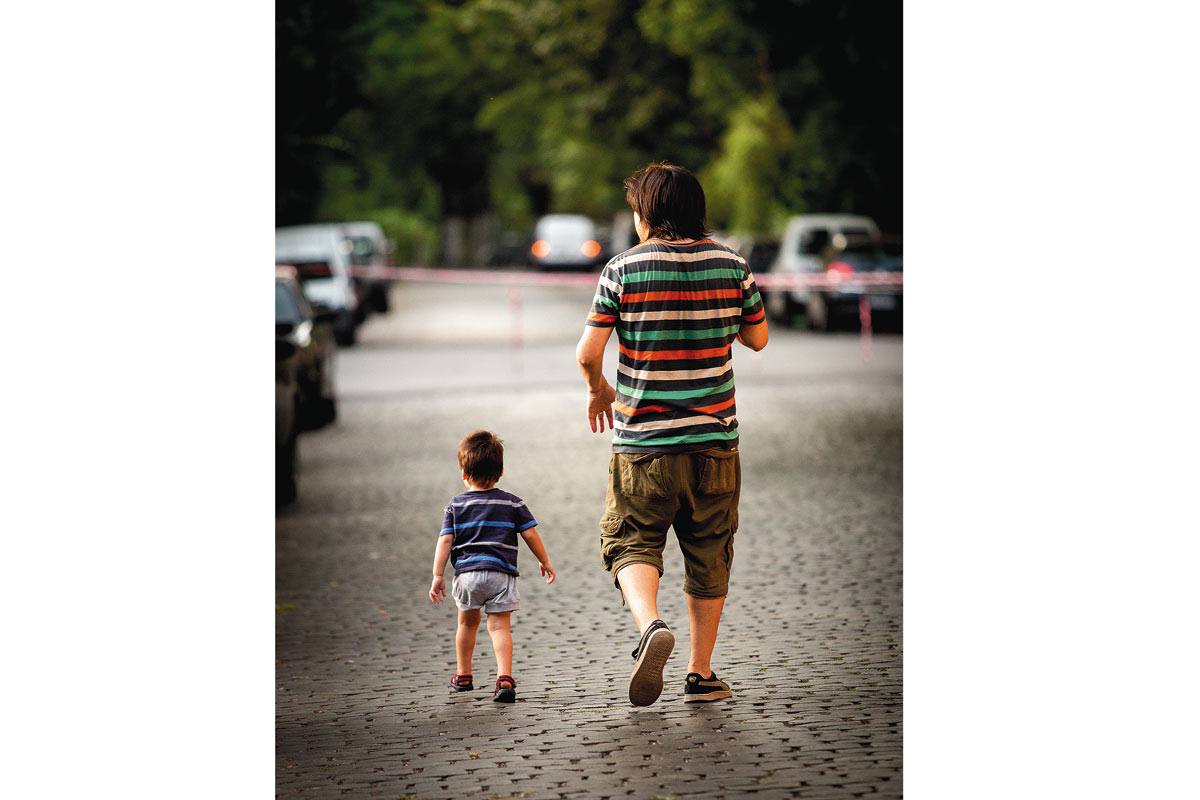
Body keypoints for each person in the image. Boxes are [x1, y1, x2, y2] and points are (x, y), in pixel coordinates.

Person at [575, 162, 768, 707]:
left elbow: (588, 353)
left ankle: (650, 626)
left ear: (648, 214)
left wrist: (599, 390)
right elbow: (758, 338)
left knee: (632, 538)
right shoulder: (733, 265)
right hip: (715, 442)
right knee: (709, 550)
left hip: (644, 445)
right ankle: (701, 674)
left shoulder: (622, 270)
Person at [429, 430, 556, 702]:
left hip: (466, 575)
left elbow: (445, 540)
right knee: (499, 628)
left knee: (467, 624)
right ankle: (504, 678)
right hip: (500, 574)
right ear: (500, 472)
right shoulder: (512, 502)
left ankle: (464, 675)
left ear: (464, 473)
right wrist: (543, 561)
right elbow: (531, 534)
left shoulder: (455, 505)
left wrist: (437, 574)